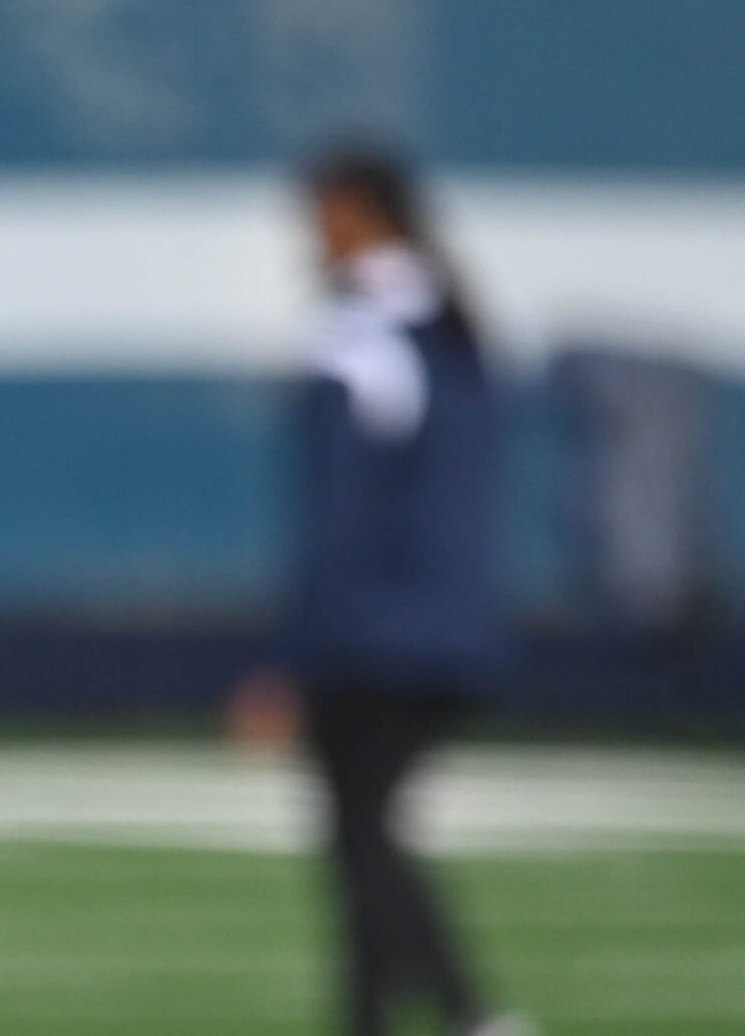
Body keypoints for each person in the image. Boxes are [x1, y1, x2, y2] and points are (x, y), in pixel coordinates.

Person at [288, 144, 525, 1036]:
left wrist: (298, 645)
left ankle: (467, 1012)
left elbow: (341, 509)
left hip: (372, 630)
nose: (311, 237)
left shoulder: (362, 331)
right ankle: (387, 1018)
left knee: (363, 839)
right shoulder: (457, 323)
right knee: (367, 836)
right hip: (452, 620)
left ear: (361, 213)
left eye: (321, 215)